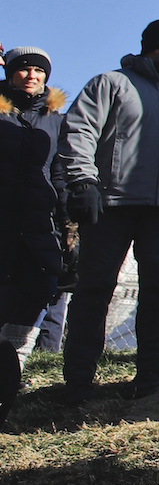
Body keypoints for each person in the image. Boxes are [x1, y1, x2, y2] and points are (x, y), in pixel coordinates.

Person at [56, 18, 159, 400]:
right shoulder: (111, 84)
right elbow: (79, 130)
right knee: (95, 287)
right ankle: (78, 380)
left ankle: (151, 375)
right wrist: (83, 181)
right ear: (155, 49)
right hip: (111, 202)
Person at [0, 47, 71, 365]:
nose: (32, 76)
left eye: (38, 71)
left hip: (40, 219)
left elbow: (60, 171)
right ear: (10, 73)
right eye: (24, 69)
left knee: (43, 283)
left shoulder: (56, 120)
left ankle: (21, 357)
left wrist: (69, 220)